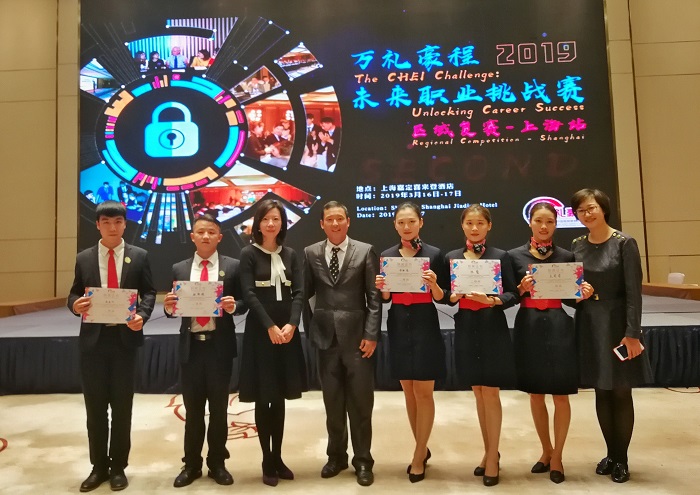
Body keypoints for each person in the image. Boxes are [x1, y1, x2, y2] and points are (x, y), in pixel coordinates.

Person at [67, 201, 156, 492]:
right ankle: (98, 467)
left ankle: (118, 468)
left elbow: (149, 292)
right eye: (106, 222)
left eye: (118, 222)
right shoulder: (84, 258)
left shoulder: (139, 256)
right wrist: (75, 305)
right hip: (93, 343)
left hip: (124, 342)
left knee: (121, 408)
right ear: (97, 225)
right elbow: (74, 294)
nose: (112, 227)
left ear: (125, 224)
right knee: (95, 409)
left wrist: (142, 315)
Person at [570, 188, 653, 483]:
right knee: (601, 390)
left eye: (591, 207)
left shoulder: (624, 243)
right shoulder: (577, 245)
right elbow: (571, 290)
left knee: (620, 390)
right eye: (581, 210)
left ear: (604, 208)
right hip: (589, 323)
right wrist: (577, 295)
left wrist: (633, 333)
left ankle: (622, 458)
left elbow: (634, 293)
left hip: (618, 324)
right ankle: (610, 453)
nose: (587, 214)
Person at [508, 202, 594, 484]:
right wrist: (521, 288)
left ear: (556, 224)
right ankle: (546, 450)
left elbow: (571, 298)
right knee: (535, 393)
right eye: (539, 221)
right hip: (529, 325)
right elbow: (509, 295)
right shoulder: (514, 256)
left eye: (550, 222)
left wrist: (582, 294)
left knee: (560, 394)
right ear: (530, 222)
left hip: (559, 325)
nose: (544, 226)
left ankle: (558, 455)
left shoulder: (567, 256)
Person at [163, 214, 247, 488]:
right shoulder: (179, 268)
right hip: (191, 348)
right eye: (201, 232)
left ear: (220, 237)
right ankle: (191, 465)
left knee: (219, 410)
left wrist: (235, 306)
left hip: (219, 348)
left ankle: (217, 463)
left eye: (211, 232)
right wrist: (169, 307)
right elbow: (173, 308)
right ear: (193, 236)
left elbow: (245, 301)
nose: (206, 236)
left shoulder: (233, 267)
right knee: (193, 411)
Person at [303, 201, 381, 487]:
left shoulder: (365, 250)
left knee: (361, 404)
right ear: (322, 224)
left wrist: (371, 334)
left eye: (339, 218)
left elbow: (374, 298)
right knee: (332, 403)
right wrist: (311, 330)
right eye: (329, 219)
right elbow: (304, 296)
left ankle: (363, 461)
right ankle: (336, 456)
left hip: (358, 339)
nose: (335, 224)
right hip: (325, 339)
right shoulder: (311, 253)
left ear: (348, 221)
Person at [446, 204, 518, 487]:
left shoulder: (501, 257)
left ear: (489, 225)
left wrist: (493, 300)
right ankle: (490, 452)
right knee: (477, 391)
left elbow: (513, 294)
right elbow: (444, 294)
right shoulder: (452, 258)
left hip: (492, 328)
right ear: (462, 226)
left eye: (480, 223)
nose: (474, 228)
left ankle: (492, 459)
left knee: (491, 392)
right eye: (469, 223)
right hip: (466, 328)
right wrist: (452, 296)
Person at [375, 202, 447, 483]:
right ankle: (422, 447)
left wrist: (434, 284)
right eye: (401, 222)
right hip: (398, 321)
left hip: (425, 320)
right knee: (408, 390)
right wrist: (382, 289)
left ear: (421, 222)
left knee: (424, 391)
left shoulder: (434, 254)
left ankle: (418, 455)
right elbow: (385, 299)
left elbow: (443, 298)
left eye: (411, 221)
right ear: (395, 225)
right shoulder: (387, 256)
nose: (406, 227)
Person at [238, 200, 307, 486]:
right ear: (258, 223)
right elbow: (249, 294)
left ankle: (278, 456)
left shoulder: (290, 254)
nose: (270, 224)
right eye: (265, 219)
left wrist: (292, 324)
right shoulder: (248, 254)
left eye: (276, 219)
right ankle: (266, 458)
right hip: (261, 332)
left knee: (279, 397)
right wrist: (270, 326)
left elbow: (299, 292)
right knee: (263, 395)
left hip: (287, 332)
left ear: (282, 223)